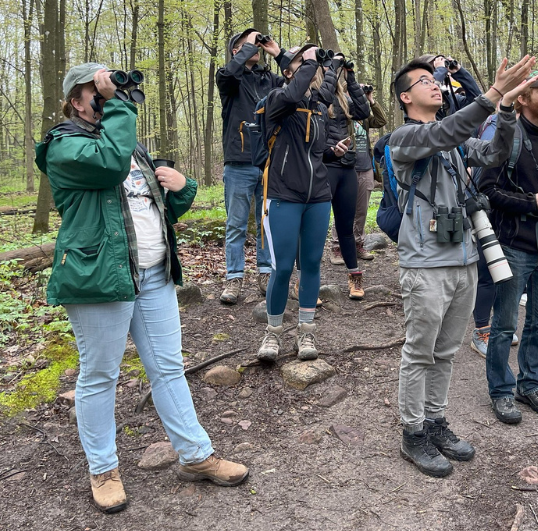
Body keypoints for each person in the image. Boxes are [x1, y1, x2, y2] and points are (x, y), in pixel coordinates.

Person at [35, 64, 248, 513]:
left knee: (169, 368)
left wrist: (183, 186)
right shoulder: (64, 145)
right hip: (100, 278)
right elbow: (109, 166)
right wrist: (118, 104)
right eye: (97, 89)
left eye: (110, 88)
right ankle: (103, 468)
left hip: (152, 274)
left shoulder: (130, 146)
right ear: (77, 101)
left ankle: (195, 455)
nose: (109, 94)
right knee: (99, 376)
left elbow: (159, 210)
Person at [389, 54, 535, 477]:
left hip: (465, 259)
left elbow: (494, 154)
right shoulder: (403, 138)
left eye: (436, 80)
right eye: (423, 81)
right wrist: (490, 94)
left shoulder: (454, 143)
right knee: (420, 352)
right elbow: (446, 130)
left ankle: (435, 422)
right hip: (425, 265)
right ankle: (412, 433)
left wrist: (506, 110)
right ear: (405, 96)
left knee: (447, 352)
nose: (435, 84)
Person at [478, 71, 538, 424]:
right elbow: (486, 190)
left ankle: (531, 385)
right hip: (514, 246)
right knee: (504, 325)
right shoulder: (508, 138)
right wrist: (533, 202)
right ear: (522, 98)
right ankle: (501, 391)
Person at [256, 45, 334, 362]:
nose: (310, 68)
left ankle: (306, 331)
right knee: (283, 266)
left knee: (312, 264)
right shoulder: (276, 101)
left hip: (318, 196)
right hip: (283, 195)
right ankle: (272, 334)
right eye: (303, 64)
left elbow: (323, 91)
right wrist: (306, 60)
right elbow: (293, 95)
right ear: (290, 71)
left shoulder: (316, 108)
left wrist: (335, 66)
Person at [217, 29, 286, 305]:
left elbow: (296, 83)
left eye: (256, 42)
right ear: (236, 50)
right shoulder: (229, 79)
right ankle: (234, 277)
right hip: (238, 161)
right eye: (247, 43)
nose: (255, 46)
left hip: (269, 160)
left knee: (266, 222)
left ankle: (266, 272)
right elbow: (228, 74)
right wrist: (248, 45)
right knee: (236, 224)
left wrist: (278, 52)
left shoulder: (270, 80)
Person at [320, 54, 371, 300]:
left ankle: (355, 277)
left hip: (346, 167)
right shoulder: (312, 96)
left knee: (346, 228)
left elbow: (363, 110)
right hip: (322, 167)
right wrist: (330, 68)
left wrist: (350, 76)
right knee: (314, 228)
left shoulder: (343, 97)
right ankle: (305, 282)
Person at [351, 85, 388, 259]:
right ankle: (337, 247)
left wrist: (371, 99)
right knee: (343, 209)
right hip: (347, 167)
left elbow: (381, 121)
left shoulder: (364, 118)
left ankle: (358, 244)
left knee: (362, 210)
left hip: (366, 166)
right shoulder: (341, 115)